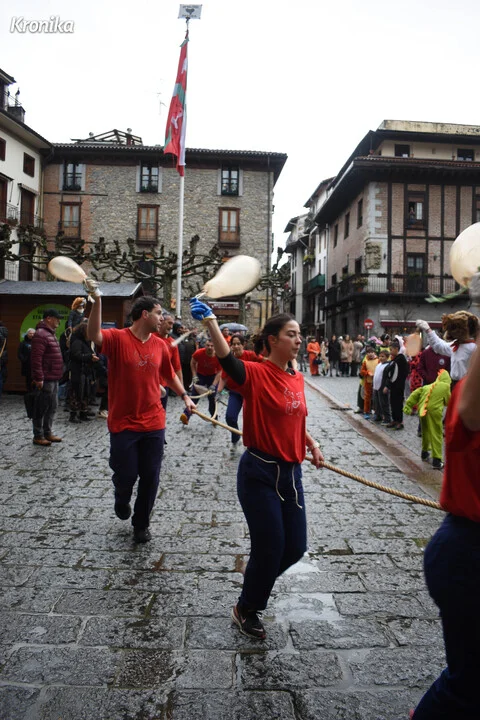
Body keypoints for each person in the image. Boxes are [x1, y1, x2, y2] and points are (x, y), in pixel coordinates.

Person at [189, 298, 324, 640]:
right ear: (273, 340)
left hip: (291, 475)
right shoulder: (257, 373)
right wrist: (212, 323)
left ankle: (255, 583)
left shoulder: (296, 377)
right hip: (259, 473)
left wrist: (311, 443)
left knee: (294, 548)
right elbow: (228, 363)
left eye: (299, 334)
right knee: (271, 546)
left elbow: (294, 416)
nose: (298, 340)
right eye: (291, 334)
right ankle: (247, 608)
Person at [410, 273, 480, 719]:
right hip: (467, 556)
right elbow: (470, 408)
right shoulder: (466, 372)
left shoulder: (465, 353)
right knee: (467, 688)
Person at [87, 290, 195, 543]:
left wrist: (185, 396)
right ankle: (122, 495)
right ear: (144, 314)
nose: (162, 318)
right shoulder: (117, 338)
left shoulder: (161, 345)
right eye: (158, 313)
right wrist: (98, 300)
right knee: (125, 473)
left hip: (153, 421)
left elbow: (169, 374)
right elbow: (94, 335)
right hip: (123, 422)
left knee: (151, 475)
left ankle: (141, 524)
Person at [219, 334, 263, 446]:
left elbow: (266, 363)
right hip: (235, 392)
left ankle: (254, 443)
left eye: (238, 344)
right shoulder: (229, 359)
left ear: (243, 345)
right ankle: (236, 436)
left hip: (251, 393)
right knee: (230, 417)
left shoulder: (251, 355)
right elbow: (223, 377)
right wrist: (217, 391)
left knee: (252, 420)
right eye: (234, 344)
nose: (236, 346)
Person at [416, 312, 478, 391]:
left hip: (467, 386)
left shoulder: (473, 348)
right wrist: (428, 330)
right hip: (455, 385)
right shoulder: (456, 345)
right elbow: (440, 346)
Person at [404, 369, 451, 470]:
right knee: (436, 434)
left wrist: (408, 405)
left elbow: (416, 393)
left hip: (422, 411)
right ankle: (437, 460)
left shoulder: (427, 386)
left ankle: (424, 452)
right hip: (434, 412)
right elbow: (448, 401)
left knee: (425, 432)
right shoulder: (445, 386)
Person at [30, 309, 64, 446]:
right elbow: (36, 358)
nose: (59, 321)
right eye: (57, 318)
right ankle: (38, 435)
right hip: (46, 378)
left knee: (52, 406)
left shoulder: (49, 334)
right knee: (41, 407)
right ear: (49, 318)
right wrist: (39, 378)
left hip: (53, 377)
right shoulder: (41, 334)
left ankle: (47, 432)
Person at [68, 320, 99, 423]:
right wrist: (90, 357)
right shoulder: (77, 342)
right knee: (77, 393)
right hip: (78, 371)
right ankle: (73, 414)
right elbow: (76, 355)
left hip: (85, 371)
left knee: (85, 393)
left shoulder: (86, 342)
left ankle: (83, 412)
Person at [190, 339, 222, 418]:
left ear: (215, 347)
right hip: (200, 375)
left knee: (212, 398)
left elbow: (220, 372)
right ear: (205, 346)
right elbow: (192, 363)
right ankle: (186, 415)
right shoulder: (199, 352)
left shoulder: (218, 356)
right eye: (208, 345)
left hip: (212, 376)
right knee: (195, 394)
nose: (210, 347)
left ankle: (214, 417)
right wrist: (194, 375)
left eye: (212, 346)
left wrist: (214, 385)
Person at [384, 339, 409, 430]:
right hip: (393, 385)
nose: (390, 351)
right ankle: (394, 419)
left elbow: (404, 372)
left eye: (391, 349)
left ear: (396, 349)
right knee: (393, 402)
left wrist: (398, 381)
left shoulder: (401, 358)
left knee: (398, 403)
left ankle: (400, 421)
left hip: (399, 385)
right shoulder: (394, 359)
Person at [371, 349, 391, 423]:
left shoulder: (387, 366)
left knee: (384, 403)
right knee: (376, 403)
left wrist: (386, 386)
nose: (381, 358)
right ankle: (378, 415)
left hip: (382, 387)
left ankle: (387, 418)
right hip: (376, 387)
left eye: (383, 356)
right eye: (380, 356)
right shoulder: (378, 365)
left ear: (387, 357)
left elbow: (388, 377)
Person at [359, 346, 379, 418]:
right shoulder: (365, 362)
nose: (370, 354)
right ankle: (366, 411)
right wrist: (367, 373)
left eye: (372, 352)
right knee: (367, 397)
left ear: (374, 353)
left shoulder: (378, 361)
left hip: (376, 382)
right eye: (369, 352)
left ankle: (376, 412)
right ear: (367, 354)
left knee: (376, 397)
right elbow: (362, 371)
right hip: (368, 381)